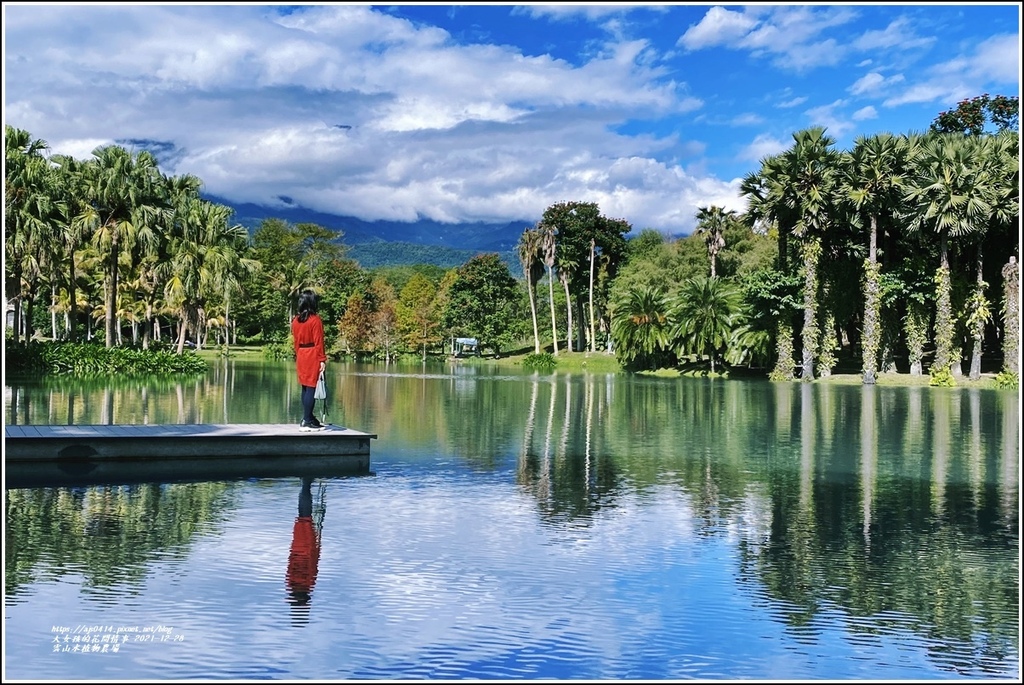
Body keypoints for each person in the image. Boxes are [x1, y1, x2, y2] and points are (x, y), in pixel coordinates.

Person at [286, 477, 322, 622]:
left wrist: (317, 546)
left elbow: (313, 565)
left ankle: (306, 483)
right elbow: (290, 566)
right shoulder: (293, 583)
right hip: (299, 548)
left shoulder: (304, 584)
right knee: (303, 517)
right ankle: (305, 483)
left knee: (305, 518)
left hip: (305, 549)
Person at [292, 289, 328, 431]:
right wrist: (322, 360)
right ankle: (306, 420)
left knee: (305, 387)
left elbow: (295, 341)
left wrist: (298, 354)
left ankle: (309, 417)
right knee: (312, 387)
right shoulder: (315, 320)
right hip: (312, 354)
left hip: (301, 354)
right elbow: (319, 342)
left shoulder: (295, 320)